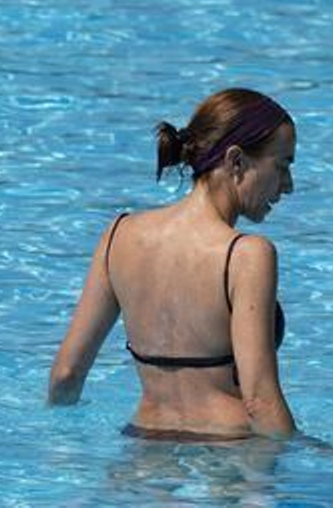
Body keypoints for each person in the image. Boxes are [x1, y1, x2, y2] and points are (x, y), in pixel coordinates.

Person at [49, 89, 299, 439]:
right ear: (236, 160)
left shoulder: (118, 235)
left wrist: (61, 444)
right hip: (231, 452)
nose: (288, 186)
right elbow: (260, 400)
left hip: (144, 443)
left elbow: (66, 374)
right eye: (283, 165)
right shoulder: (247, 254)